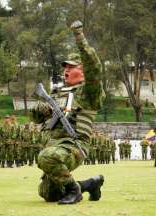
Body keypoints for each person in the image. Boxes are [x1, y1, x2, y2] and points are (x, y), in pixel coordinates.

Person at [32, 21, 104, 204]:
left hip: (73, 145)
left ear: (83, 71)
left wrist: (79, 36)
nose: (66, 70)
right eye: (65, 67)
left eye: (71, 67)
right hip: (53, 144)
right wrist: (42, 108)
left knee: (45, 157)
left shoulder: (89, 92)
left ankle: (74, 190)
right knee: (48, 194)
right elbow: (35, 117)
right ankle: (90, 184)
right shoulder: (57, 93)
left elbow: (94, 66)